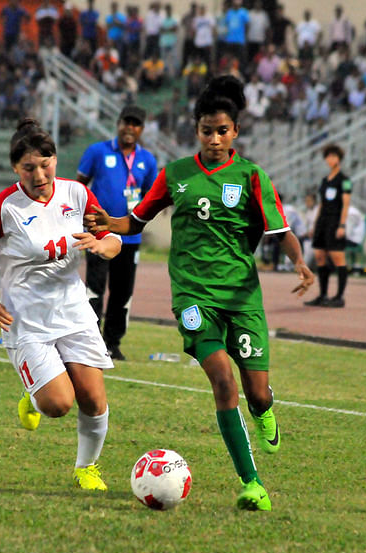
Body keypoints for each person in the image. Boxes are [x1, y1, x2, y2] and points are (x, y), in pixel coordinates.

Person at [84, 76, 314, 512]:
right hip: (193, 297)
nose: (214, 138)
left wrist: (299, 262)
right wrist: (104, 222)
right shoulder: (175, 174)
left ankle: (264, 410)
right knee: (223, 381)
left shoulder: (251, 177)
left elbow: (280, 230)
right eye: (206, 131)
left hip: (242, 300)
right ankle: (252, 484)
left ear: (235, 133)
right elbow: (136, 221)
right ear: (197, 131)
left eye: (222, 131)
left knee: (257, 392)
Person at [0, 118, 122, 491]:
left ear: (55, 161)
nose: (39, 174)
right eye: (29, 167)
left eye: (45, 164)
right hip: (27, 319)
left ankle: (86, 468)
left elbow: (112, 240)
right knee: (58, 404)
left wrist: (101, 245)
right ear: (16, 169)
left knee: (93, 399)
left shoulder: (76, 195)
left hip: (74, 310)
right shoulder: (4, 208)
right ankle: (34, 396)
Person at [76, 105, 158, 361]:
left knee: (123, 292)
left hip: (130, 237)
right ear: (118, 123)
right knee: (95, 288)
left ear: (141, 129)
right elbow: (79, 186)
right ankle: (90, 339)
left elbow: (151, 195)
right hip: (99, 233)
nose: (130, 128)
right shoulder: (97, 151)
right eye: (126, 122)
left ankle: (112, 342)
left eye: (135, 124)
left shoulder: (148, 160)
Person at [305, 144, 351, 308]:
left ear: (339, 159)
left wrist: (342, 225)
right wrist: (315, 225)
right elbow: (322, 204)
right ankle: (323, 294)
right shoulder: (325, 180)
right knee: (319, 256)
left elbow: (346, 204)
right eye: (328, 157)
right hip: (323, 221)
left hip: (335, 221)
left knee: (338, 257)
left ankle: (339, 296)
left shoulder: (344, 180)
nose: (330, 160)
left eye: (333, 156)